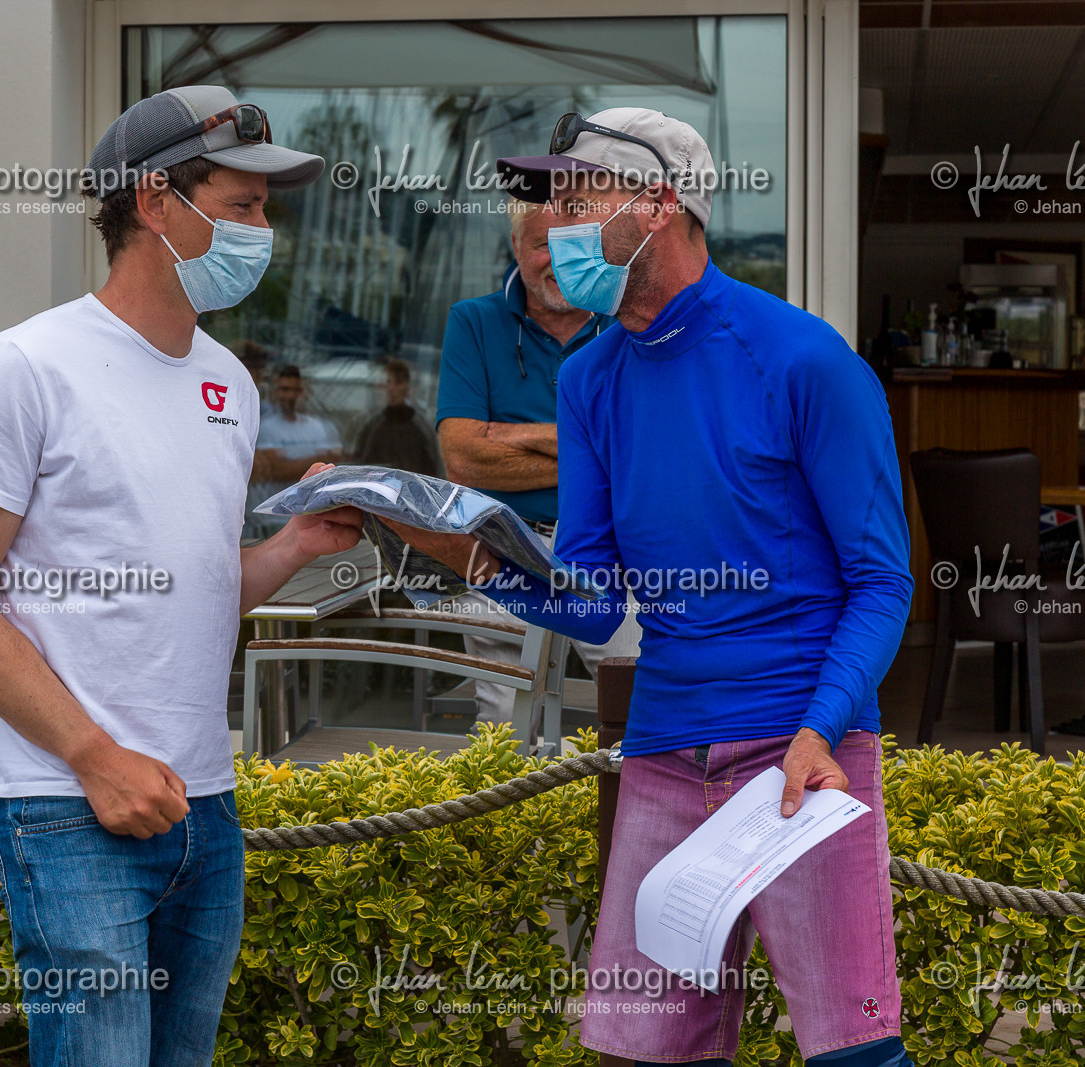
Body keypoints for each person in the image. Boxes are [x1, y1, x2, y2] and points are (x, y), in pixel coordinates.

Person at [390, 108, 915, 1067]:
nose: (555, 222)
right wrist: (435, 542)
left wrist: (819, 728)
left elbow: (883, 582)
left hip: (806, 749)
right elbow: (590, 600)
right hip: (666, 749)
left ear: (660, 202)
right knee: (650, 1054)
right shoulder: (589, 379)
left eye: (578, 195)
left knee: (854, 1053)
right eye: (551, 198)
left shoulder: (803, 358)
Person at [0, 85, 363, 1067]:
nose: (261, 231)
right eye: (241, 206)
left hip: (205, 804)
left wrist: (288, 552)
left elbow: (191, 587)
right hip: (68, 803)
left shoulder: (229, 383)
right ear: (156, 201)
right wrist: (95, 757)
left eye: (264, 209)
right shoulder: (25, 366)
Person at [435, 199, 641, 726]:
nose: (557, 259)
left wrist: (508, 437)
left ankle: (638, 809)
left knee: (640, 699)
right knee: (504, 721)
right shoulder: (474, 321)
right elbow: (462, 458)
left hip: (612, 548)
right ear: (515, 248)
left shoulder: (631, 328)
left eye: (572, 245)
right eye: (541, 244)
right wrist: (594, 452)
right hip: (504, 543)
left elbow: (645, 452)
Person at [247, 364, 345, 535]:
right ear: (275, 392)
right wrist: (315, 459)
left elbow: (331, 468)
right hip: (273, 520)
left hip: (311, 518)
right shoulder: (265, 428)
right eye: (284, 390)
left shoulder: (317, 427)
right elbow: (277, 471)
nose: (289, 396)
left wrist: (291, 463)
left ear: (301, 392)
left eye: (294, 390)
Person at [352, 357, 442, 475]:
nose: (391, 389)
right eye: (388, 382)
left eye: (398, 383)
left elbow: (433, 466)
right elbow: (360, 464)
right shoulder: (372, 425)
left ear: (407, 386)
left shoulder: (421, 426)